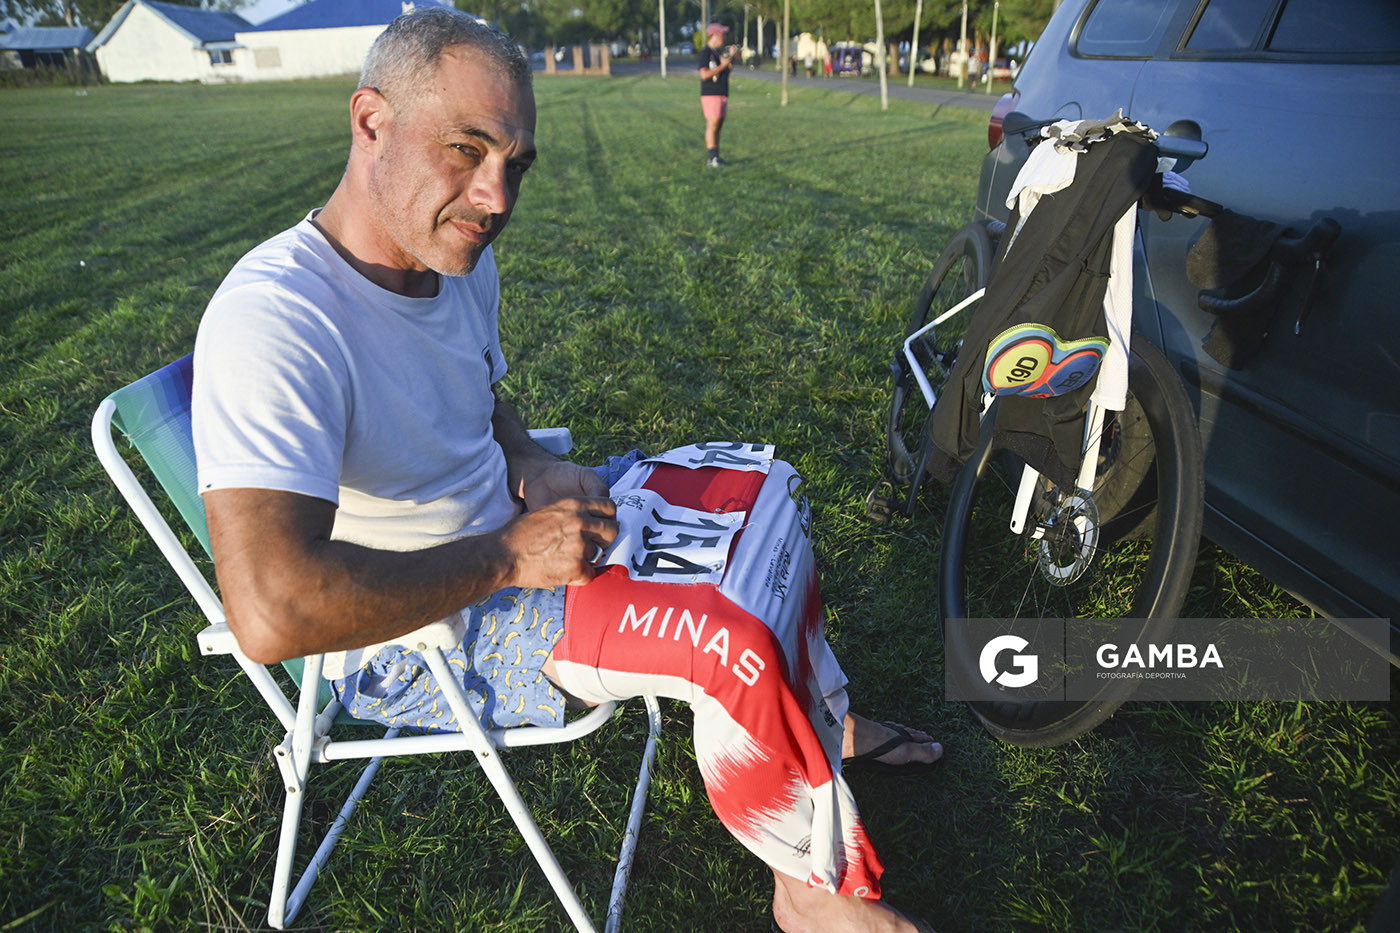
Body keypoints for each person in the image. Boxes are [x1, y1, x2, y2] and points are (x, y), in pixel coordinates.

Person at [191, 9, 940, 931]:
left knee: (760, 489)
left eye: (515, 162)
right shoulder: (279, 320)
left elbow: (476, 396)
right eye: (466, 149)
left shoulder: (451, 256)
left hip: (507, 544)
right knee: (721, 638)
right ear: (371, 123)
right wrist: (509, 555)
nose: (496, 196)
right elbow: (271, 609)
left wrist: (528, 459)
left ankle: (817, 723)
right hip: (420, 642)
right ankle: (813, 894)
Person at [698, 22, 736, 167]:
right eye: (722, 34)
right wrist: (722, 66)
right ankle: (711, 158)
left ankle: (716, 156)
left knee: (718, 125)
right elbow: (704, 74)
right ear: (714, 35)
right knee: (712, 123)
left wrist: (731, 57)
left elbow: (727, 70)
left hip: (722, 93)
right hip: (710, 94)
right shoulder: (706, 52)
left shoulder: (719, 52)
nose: (724, 37)